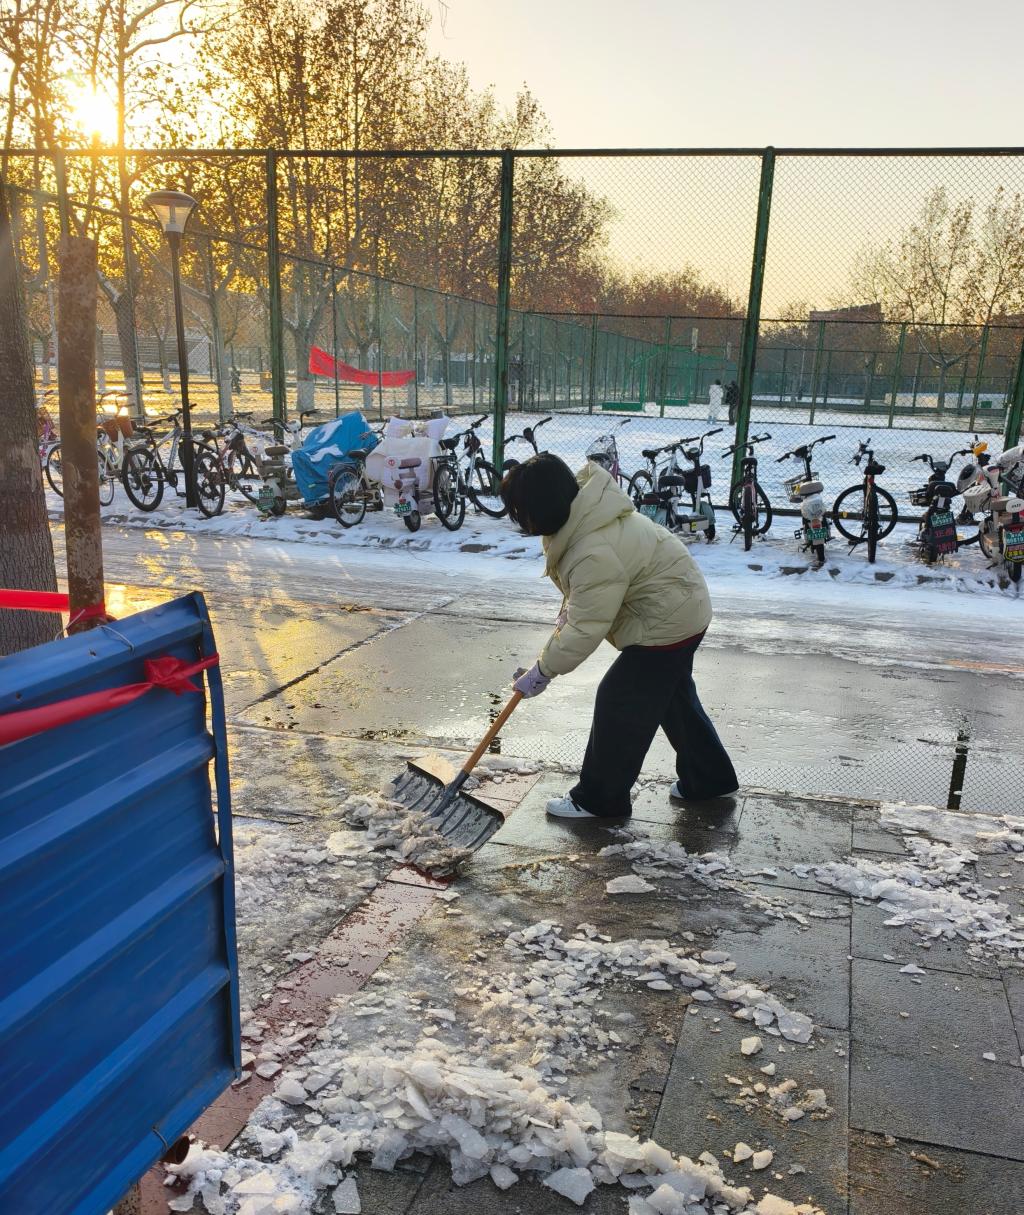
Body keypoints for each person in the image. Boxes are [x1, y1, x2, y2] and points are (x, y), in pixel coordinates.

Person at [501, 453, 737, 821]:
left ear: (543, 507)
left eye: (522, 510)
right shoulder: (585, 515)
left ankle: (600, 799)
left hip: (668, 619)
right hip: (682, 603)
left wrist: (543, 671)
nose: (519, 519)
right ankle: (710, 778)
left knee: (618, 700)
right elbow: (586, 605)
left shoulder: (592, 547)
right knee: (672, 697)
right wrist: (548, 654)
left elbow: (586, 626)